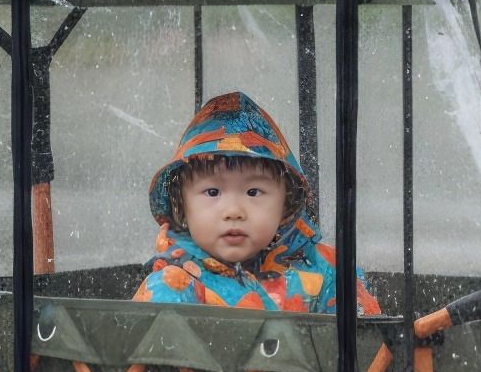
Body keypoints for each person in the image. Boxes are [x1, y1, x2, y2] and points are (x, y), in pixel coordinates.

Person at [137, 90, 379, 314]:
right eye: (212, 192)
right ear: (182, 206)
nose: (233, 212)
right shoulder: (176, 283)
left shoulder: (328, 273)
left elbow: (367, 344)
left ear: (286, 203)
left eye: (253, 192)